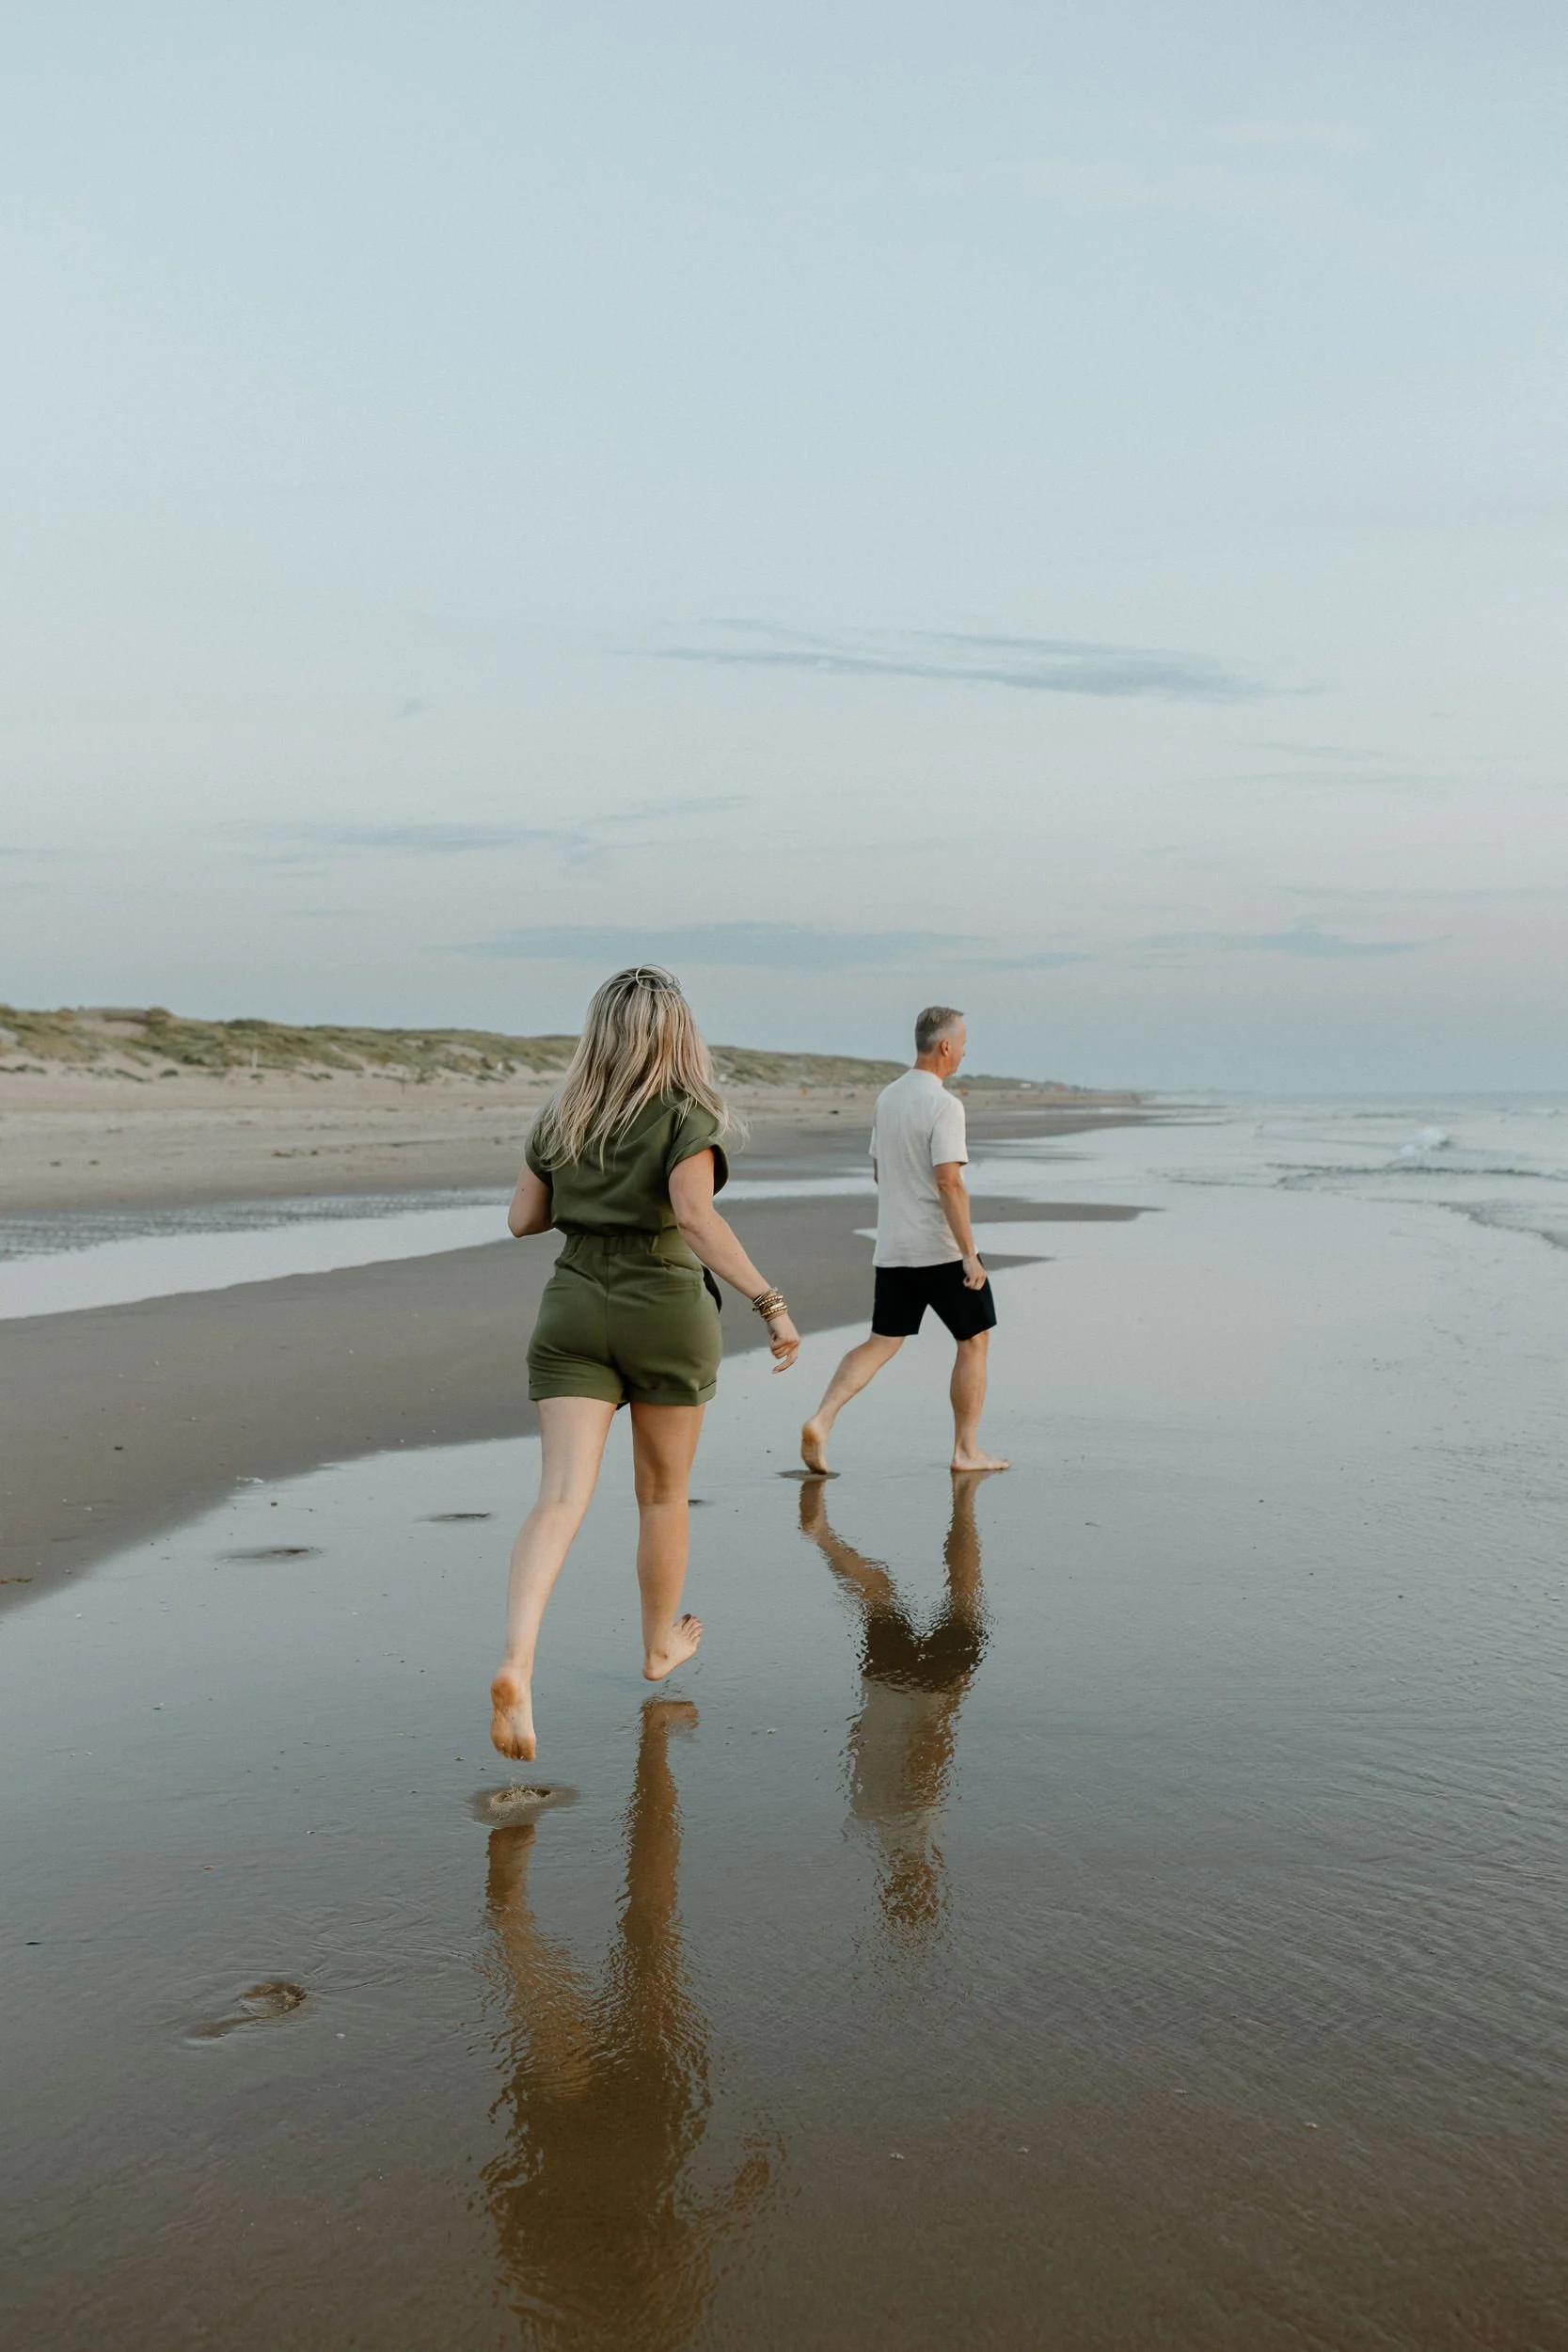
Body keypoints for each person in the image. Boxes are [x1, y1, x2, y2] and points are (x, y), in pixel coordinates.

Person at [492, 965, 800, 1760]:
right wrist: (770, 1304)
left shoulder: (560, 1116)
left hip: (572, 1308)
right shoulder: (686, 1113)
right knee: (661, 1497)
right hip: (663, 1307)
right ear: (677, 1035)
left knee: (558, 1499)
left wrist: (589, 1190)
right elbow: (694, 1219)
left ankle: (517, 1664)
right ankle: (659, 1645)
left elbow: (524, 1219)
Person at [800, 1005, 1008, 1474]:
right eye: (965, 1043)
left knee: (881, 1341)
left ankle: (822, 1418)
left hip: (893, 1247)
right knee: (974, 1340)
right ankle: (966, 1451)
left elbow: (880, 1172)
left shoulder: (888, 1098)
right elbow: (949, 1183)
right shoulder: (944, 1105)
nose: (965, 1052)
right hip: (940, 1249)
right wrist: (969, 1256)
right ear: (947, 1046)